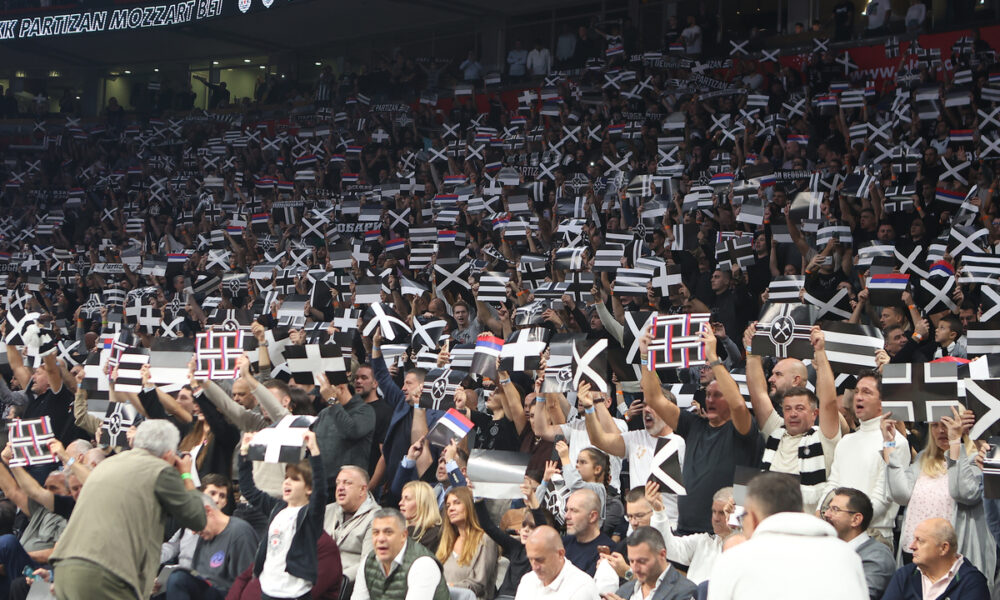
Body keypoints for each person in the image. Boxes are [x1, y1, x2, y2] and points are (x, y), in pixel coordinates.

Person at [50, 420, 207, 600]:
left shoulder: (107, 464)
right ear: (169, 454)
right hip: (105, 574)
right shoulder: (159, 470)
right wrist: (186, 473)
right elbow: (198, 519)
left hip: (65, 567)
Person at [641, 324, 762, 534]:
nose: (710, 400)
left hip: (726, 533)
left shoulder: (742, 429)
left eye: (718, 395)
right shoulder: (693, 425)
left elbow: (738, 405)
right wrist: (646, 358)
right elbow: (653, 398)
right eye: (707, 395)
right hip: (685, 531)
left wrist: (713, 357)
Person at [707, 472, 867, 599]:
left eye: (744, 516)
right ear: (801, 511)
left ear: (754, 517)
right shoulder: (846, 555)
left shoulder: (734, 559)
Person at [882, 407, 995, 578]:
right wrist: (889, 443)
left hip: (951, 561)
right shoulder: (923, 458)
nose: (941, 430)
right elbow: (901, 495)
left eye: (947, 424)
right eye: (935, 425)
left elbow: (964, 493)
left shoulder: (976, 458)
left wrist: (955, 442)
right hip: (913, 553)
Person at [744, 325, 841, 512]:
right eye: (788, 409)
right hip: (771, 520)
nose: (793, 414)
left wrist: (820, 353)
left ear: (814, 414)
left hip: (807, 524)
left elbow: (829, 402)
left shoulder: (824, 437)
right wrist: (751, 350)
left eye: (800, 408)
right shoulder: (776, 431)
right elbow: (758, 394)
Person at [821, 370, 909, 549]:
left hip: (874, 538)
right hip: (837, 534)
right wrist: (821, 513)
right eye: (857, 391)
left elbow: (883, 497)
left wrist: (849, 523)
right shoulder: (846, 441)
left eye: (867, 392)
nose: (859, 397)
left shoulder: (896, 442)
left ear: (882, 402)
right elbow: (833, 485)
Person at [237, 429, 328, 600]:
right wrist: (244, 453)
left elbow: (321, 492)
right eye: (286, 477)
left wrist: (314, 452)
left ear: (309, 488)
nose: (287, 482)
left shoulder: (310, 515)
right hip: (268, 589)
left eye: (295, 479)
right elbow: (248, 490)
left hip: (294, 594)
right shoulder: (277, 507)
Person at [164, 493, 258, 600]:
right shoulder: (205, 536)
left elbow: (248, 582)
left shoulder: (240, 533)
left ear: (208, 511)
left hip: (227, 594)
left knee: (178, 579)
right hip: (204, 589)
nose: (193, 532)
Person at [351, 508, 450, 600]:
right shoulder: (368, 561)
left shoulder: (423, 564)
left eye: (388, 532)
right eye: (376, 533)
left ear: (403, 535)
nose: (380, 539)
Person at [881, 518, 990, 599]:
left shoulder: (972, 583)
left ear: (943, 548)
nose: (912, 546)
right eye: (914, 539)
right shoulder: (904, 575)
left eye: (920, 541)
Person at [822, 488, 895, 600]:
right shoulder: (826, 548)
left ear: (856, 519)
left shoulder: (877, 556)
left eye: (835, 509)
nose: (827, 514)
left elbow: (861, 596)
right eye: (828, 508)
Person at [651, 483, 732, 584]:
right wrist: (659, 512)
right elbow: (667, 547)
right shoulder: (702, 542)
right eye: (714, 512)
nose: (716, 518)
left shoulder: (747, 548)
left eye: (722, 513)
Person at [314, 373, 375, 496]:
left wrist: (332, 401)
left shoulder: (365, 411)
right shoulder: (324, 413)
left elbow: (351, 431)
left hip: (349, 487)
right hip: (322, 486)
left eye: (326, 393)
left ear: (341, 388)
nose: (324, 397)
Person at [436, 487, 498, 600]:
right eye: (448, 505)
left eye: (457, 503)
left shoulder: (485, 540)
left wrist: (449, 587)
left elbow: (479, 584)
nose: (451, 508)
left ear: (469, 505)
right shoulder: (447, 542)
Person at [604, 527, 697, 600]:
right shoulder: (623, 591)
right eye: (631, 561)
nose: (635, 568)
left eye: (642, 561)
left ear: (662, 554)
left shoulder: (686, 591)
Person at [324, 465, 379, 585]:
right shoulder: (327, 511)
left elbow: (368, 562)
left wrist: (339, 578)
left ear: (362, 490)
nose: (340, 488)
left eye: (347, 483)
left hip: (348, 583)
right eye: (338, 483)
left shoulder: (376, 518)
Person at [513, 526, 599, 600]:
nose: (535, 567)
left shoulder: (582, 587)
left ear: (560, 554)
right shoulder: (527, 580)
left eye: (540, 560)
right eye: (530, 559)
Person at [399, 480, 442, 551]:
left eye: (407, 499)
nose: (400, 503)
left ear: (422, 503)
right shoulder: (399, 531)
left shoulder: (433, 535)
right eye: (402, 498)